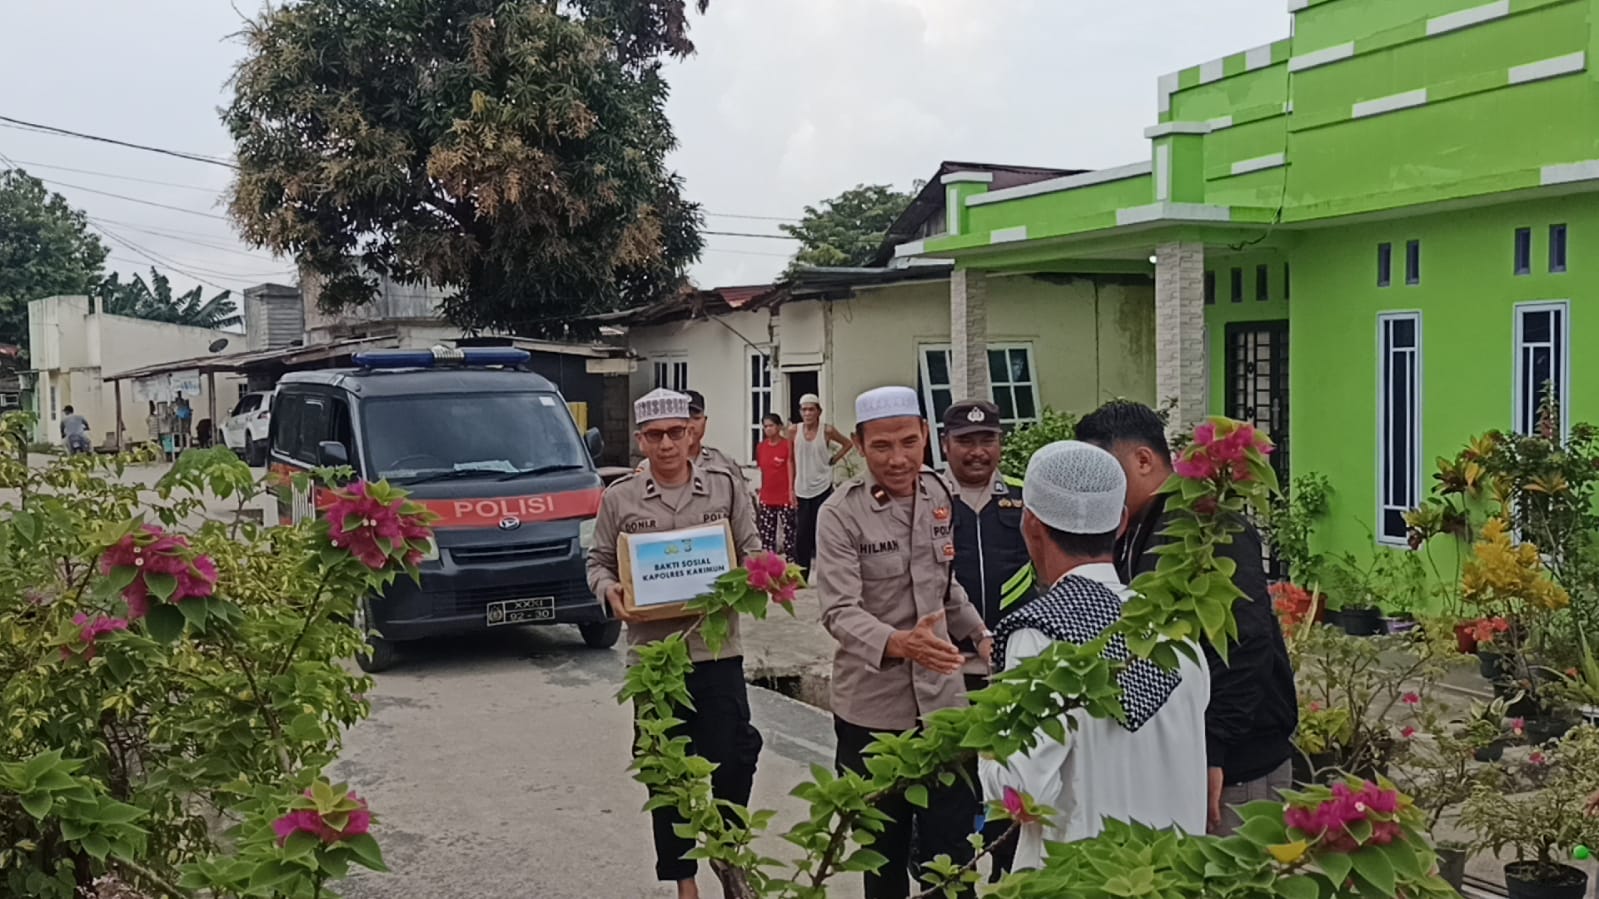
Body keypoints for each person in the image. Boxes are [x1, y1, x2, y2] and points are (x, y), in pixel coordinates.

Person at [978, 440, 1210, 868]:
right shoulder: (1177, 634)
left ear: (1030, 523)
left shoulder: (1037, 635)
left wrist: (986, 748)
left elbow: (1024, 795)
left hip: (1079, 880)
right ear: (1121, 522)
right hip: (1172, 878)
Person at [1075, 400, 1297, 835]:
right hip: (1186, 757)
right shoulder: (1140, 524)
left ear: (1142, 459)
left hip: (1236, 765)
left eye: (1102, 469)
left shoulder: (1208, 524)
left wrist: (1214, 750)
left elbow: (1245, 639)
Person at [586, 388, 764, 899]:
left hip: (717, 651)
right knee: (666, 771)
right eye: (656, 435)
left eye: (677, 433)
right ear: (641, 440)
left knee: (734, 759)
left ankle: (731, 862)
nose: (667, 444)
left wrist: (754, 577)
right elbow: (597, 562)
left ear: (693, 434)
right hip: (655, 661)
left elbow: (752, 550)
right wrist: (609, 589)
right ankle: (684, 880)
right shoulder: (619, 497)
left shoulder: (726, 488)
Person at [815, 385, 989, 899]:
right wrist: (901, 644)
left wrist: (979, 634)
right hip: (872, 712)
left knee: (952, 855)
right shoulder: (840, 514)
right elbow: (839, 612)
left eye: (909, 443)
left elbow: (945, 585)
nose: (898, 459)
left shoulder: (938, 494)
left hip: (943, 709)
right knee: (882, 858)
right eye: (882, 447)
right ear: (861, 446)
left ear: (926, 438)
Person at [939, 399, 1036, 879]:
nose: (978, 452)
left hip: (1013, 669)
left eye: (987, 440)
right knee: (952, 787)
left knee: (1012, 782)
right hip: (949, 669)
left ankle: (1008, 870)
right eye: (966, 442)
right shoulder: (928, 498)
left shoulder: (1025, 497)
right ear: (945, 444)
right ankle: (951, 875)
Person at [791, 392, 853, 579]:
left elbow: (847, 443)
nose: (808, 413)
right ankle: (802, 575)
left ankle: (826, 573)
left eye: (811, 409)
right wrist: (790, 488)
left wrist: (833, 459)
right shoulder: (794, 430)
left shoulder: (826, 430)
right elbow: (790, 460)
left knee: (823, 530)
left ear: (819, 411)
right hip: (802, 487)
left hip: (823, 486)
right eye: (804, 410)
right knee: (802, 534)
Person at [754, 413, 797, 558]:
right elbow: (763, 470)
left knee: (790, 534)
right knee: (767, 536)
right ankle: (769, 567)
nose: (768, 429)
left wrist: (792, 491)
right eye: (765, 426)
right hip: (767, 497)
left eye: (771, 425)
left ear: (779, 427)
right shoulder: (761, 447)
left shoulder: (787, 445)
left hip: (785, 496)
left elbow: (792, 467)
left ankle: (792, 564)